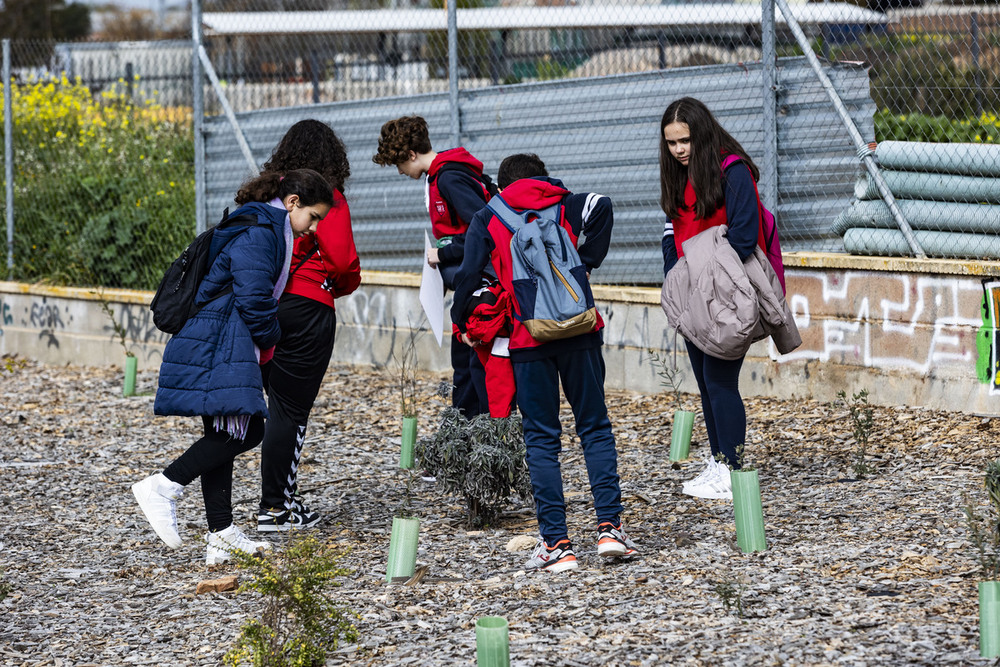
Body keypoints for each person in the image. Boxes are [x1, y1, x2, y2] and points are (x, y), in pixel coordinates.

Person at [132, 169, 332, 565]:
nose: (314, 227)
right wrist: (274, 335)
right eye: (314, 216)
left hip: (220, 337)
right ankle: (165, 484)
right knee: (249, 428)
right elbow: (254, 298)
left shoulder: (265, 225)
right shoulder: (262, 232)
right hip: (222, 340)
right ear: (293, 203)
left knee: (226, 429)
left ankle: (221, 533)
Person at [451, 153, 637, 573]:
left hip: (527, 336)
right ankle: (610, 529)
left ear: (502, 186)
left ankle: (557, 544)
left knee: (541, 438)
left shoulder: (489, 215)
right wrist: (586, 263)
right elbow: (603, 205)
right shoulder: (566, 202)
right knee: (594, 426)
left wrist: (460, 319)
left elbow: (467, 275)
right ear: (544, 177)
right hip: (581, 330)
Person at [659, 96, 791, 500]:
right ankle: (719, 464)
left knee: (720, 382)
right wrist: (676, 275)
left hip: (724, 295)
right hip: (691, 292)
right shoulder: (679, 176)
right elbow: (671, 227)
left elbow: (744, 235)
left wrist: (698, 270)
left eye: (685, 140)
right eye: (671, 142)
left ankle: (733, 472)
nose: (679, 149)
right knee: (705, 382)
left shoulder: (733, 172)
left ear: (702, 134)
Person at [254, 120, 362, 533]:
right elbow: (341, 260)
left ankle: (281, 500)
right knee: (291, 409)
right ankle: (276, 506)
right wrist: (344, 284)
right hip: (308, 305)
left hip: (265, 304)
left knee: (275, 403)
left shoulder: (270, 191)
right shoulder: (325, 197)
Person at [372, 115, 490, 418]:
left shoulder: (449, 178)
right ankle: (464, 433)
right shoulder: (440, 176)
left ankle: (470, 435)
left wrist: (444, 253)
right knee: (463, 363)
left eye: (399, 165)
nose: (400, 172)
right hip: (470, 282)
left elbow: (486, 230)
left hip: (481, 286)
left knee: (469, 366)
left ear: (412, 154)